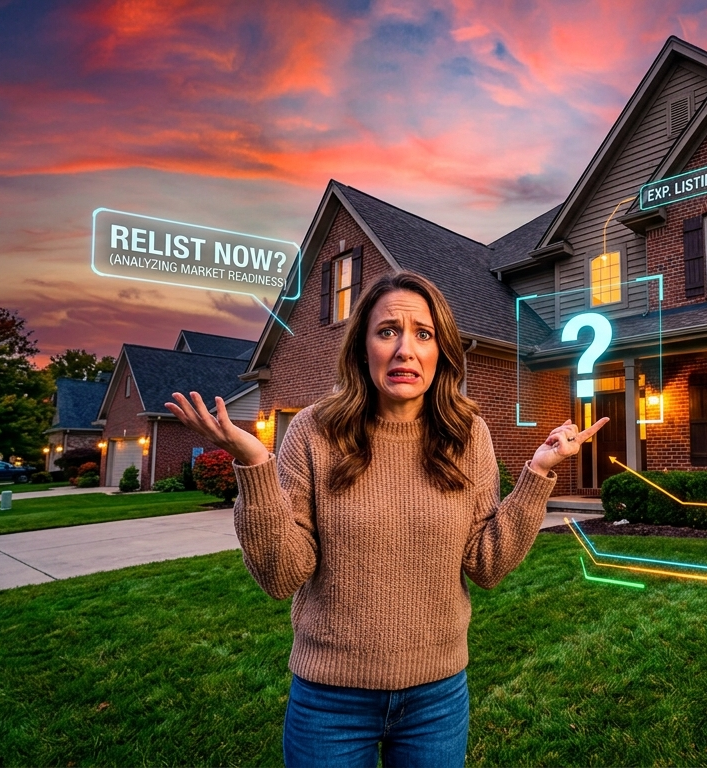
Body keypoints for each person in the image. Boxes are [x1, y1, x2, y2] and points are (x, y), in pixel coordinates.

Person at [167, 271, 607, 767]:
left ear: (440, 353)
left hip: (437, 699)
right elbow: (280, 575)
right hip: (330, 701)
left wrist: (538, 474)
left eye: (423, 334)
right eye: (387, 331)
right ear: (362, 348)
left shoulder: (469, 435)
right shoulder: (313, 431)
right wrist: (254, 464)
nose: (405, 350)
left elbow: (487, 564)